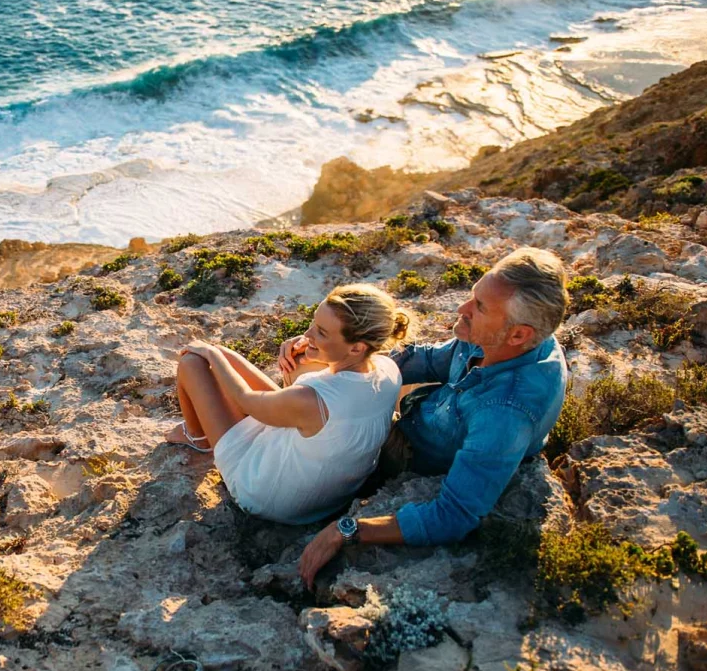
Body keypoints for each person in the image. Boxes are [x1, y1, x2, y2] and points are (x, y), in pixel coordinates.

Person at [294, 247, 571, 588]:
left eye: (479, 307)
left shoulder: (503, 414)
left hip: (411, 464)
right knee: (306, 380)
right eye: (473, 297)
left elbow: (453, 515)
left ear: (519, 334)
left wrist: (347, 529)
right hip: (415, 422)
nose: (462, 309)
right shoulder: (502, 337)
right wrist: (331, 353)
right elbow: (425, 360)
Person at [168, 284, 410, 524]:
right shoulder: (387, 370)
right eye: (314, 324)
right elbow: (331, 388)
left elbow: (245, 400)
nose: (307, 335)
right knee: (240, 357)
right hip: (332, 495)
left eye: (322, 332)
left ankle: (197, 436)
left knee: (193, 361)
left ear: (357, 347)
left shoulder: (311, 400)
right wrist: (312, 349)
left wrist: (212, 355)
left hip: (267, 495)